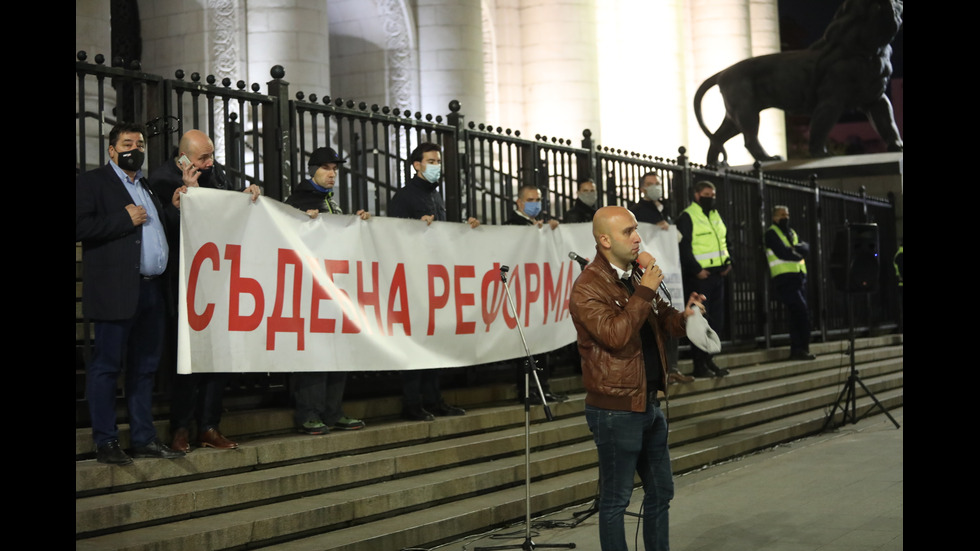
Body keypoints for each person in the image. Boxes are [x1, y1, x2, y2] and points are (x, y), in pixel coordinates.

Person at [570, 206, 704, 551]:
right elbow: (615, 335)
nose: (637, 237)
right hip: (616, 410)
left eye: (635, 230)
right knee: (616, 500)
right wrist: (644, 291)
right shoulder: (587, 287)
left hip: (649, 403)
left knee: (662, 491)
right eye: (628, 231)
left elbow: (663, 322)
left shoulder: (634, 275)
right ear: (604, 240)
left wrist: (686, 317)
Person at [76, 122, 184, 465]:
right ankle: (106, 441)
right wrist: (123, 219)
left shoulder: (147, 187)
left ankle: (143, 437)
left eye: (139, 144)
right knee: (107, 367)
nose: (134, 149)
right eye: (127, 143)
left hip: (152, 291)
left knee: (145, 368)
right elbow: (80, 226)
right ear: (112, 150)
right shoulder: (93, 182)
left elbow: (154, 229)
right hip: (116, 291)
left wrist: (174, 208)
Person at [150, 129, 262, 452]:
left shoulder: (213, 174)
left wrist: (246, 197)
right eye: (204, 157)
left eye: (211, 155)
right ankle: (181, 427)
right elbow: (165, 228)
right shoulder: (161, 180)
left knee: (218, 359)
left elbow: (225, 211)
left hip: (218, 282)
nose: (210, 162)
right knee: (188, 357)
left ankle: (210, 425)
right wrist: (189, 197)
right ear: (184, 157)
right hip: (183, 284)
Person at [284, 146, 368, 434]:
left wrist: (357, 224)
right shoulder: (298, 201)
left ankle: (333, 411)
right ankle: (309, 412)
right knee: (315, 353)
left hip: (335, 290)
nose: (332, 174)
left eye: (335, 169)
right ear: (313, 171)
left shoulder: (331, 202)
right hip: (310, 290)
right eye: (326, 169)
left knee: (338, 351)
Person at [388, 142, 474, 421]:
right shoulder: (404, 196)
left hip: (434, 278)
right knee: (416, 342)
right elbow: (392, 233)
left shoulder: (435, 196)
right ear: (417, 165)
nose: (437, 165)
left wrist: (464, 229)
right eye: (431, 160)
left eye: (438, 160)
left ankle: (434, 398)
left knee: (435, 341)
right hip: (413, 279)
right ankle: (412, 402)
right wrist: (415, 225)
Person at [629, 172, 694, 384]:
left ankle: (672, 367)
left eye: (657, 183)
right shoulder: (637, 211)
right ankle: (660, 371)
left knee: (670, 314)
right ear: (641, 188)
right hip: (647, 274)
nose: (655, 187)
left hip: (669, 274)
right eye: (650, 184)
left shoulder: (665, 209)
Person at [504, 184, 566, 403]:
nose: (535, 204)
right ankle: (527, 389)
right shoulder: (511, 225)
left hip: (540, 293)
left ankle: (543, 386)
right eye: (530, 200)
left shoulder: (541, 224)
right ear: (519, 202)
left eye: (537, 199)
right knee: (526, 346)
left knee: (542, 343)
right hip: (522, 294)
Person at [676, 181, 731, 378]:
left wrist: (728, 261)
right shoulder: (688, 216)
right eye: (707, 194)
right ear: (697, 195)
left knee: (716, 320)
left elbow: (724, 240)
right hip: (700, 278)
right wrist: (696, 270)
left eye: (713, 194)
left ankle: (709, 361)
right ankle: (699, 364)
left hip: (717, 275)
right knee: (700, 321)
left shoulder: (715, 215)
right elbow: (684, 247)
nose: (711, 197)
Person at [765, 206, 815, 360]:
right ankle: (801, 348)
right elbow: (783, 253)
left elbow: (806, 247)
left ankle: (798, 349)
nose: (785, 217)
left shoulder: (792, 232)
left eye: (787, 214)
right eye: (781, 215)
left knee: (797, 314)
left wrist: (795, 249)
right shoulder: (771, 233)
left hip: (799, 278)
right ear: (774, 218)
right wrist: (797, 251)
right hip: (784, 279)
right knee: (801, 311)